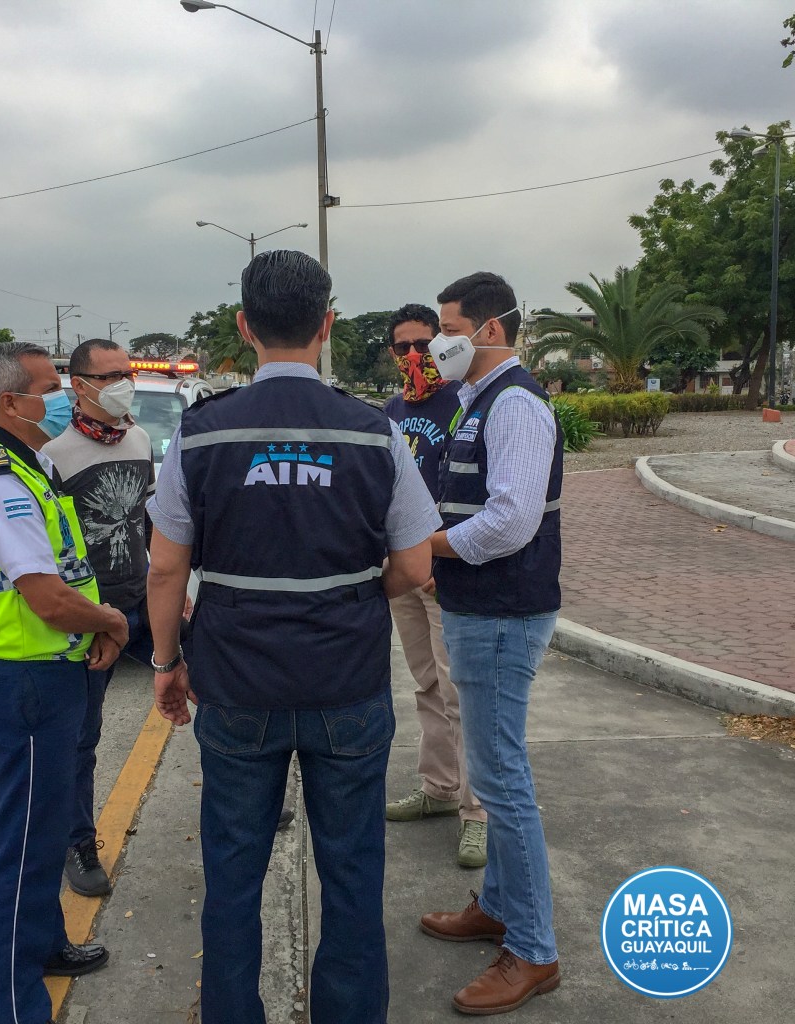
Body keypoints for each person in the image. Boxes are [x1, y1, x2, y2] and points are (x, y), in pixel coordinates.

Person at [145, 250, 438, 1024]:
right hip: (347, 685)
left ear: (244, 328)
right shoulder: (376, 432)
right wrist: (356, 597)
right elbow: (413, 564)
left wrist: (167, 662)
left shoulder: (200, 436)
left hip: (237, 689)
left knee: (233, 876)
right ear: (327, 324)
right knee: (351, 876)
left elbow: (166, 572)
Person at [0, 341, 128, 1024]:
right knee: (19, 849)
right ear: (10, 404)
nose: (63, 397)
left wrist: (98, 629)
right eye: (51, 388)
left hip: (51, 674)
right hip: (21, 682)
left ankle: (46, 943)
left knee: (46, 831)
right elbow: (48, 597)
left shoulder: (34, 465)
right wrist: (111, 618)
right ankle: (14, 1006)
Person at [419, 273, 563, 1016]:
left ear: (490, 332)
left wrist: (428, 551)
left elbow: (511, 523)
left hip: (505, 617)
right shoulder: (478, 404)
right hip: (483, 611)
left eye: (448, 328)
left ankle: (534, 949)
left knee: (502, 783)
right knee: (493, 767)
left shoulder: (515, 406)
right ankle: (500, 907)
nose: (439, 342)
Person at [42, 337, 157, 898]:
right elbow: (50, 551)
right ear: (78, 385)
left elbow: (149, 519)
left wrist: (171, 585)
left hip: (142, 599)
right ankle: (77, 842)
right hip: (90, 615)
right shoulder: (54, 457)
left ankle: (248, 795)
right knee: (81, 736)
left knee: (216, 685)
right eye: (109, 376)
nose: (122, 385)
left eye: (126, 373)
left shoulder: (138, 438)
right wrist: (88, 616)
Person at [382, 303, 487, 869]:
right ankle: (440, 787)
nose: (415, 355)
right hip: (404, 568)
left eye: (424, 342)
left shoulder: (463, 400)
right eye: (404, 347)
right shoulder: (393, 410)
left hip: (449, 566)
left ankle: (477, 811)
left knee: (459, 692)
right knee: (425, 684)